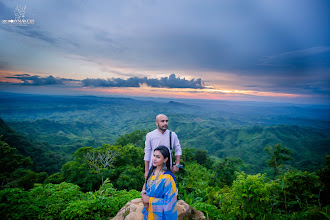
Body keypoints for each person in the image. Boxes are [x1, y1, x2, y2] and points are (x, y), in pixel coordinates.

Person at [141, 146, 178, 219]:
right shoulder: (152, 172)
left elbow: (170, 203)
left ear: (165, 159)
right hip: (148, 213)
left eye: (158, 157)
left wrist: (149, 200)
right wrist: (143, 194)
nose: (154, 159)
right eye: (154, 155)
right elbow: (146, 184)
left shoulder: (168, 178)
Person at [144, 114, 182, 180]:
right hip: (153, 167)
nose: (165, 123)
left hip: (168, 168)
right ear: (156, 123)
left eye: (166, 121)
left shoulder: (172, 135)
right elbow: (147, 153)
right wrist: (146, 170)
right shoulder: (150, 135)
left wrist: (177, 164)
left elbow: (178, 149)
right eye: (162, 121)